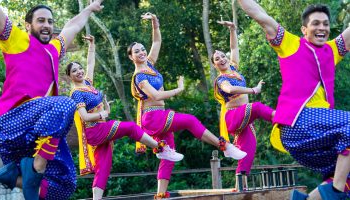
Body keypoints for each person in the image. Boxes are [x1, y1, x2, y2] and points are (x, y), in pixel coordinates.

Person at [237, 1, 350, 199]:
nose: (321, 28)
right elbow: (260, 15)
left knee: (347, 173)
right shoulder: (290, 43)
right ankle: (336, 191)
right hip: (297, 122)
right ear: (304, 29)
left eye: (325, 24)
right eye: (316, 23)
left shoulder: (332, 50)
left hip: (319, 134)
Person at [128, 12, 247, 199]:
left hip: (159, 116)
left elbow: (157, 43)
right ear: (131, 57)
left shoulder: (149, 65)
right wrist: (179, 89)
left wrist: (155, 24)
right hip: (152, 117)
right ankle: (224, 146)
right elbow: (157, 95)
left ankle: (160, 195)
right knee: (190, 120)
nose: (142, 52)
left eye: (142, 49)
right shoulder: (140, 76)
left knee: (168, 156)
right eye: (137, 51)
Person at [0, 1, 104, 199]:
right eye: (41, 21)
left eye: (50, 22)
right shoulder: (16, 39)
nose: (46, 25)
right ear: (28, 25)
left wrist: (89, 9)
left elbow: (72, 26)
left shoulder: (54, 50)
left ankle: (14, 176)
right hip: (12, 124)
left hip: (40, 134)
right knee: (66, 104)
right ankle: (37, 166)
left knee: (66, 183)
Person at [67, 35, 183, 200]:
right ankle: (161, 148)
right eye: (74, 71)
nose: (79, 71)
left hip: (101, 129)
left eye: (79, 69)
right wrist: (103, 114)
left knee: (104, 168)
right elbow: (84, 117)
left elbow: (91, 63)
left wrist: (92, 45)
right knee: (130, 127)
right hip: (95, 130)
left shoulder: (87, 84)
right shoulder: (76, 93)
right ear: (69, 76)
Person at [212, 20, 275, 191]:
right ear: (214, 65)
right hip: (234, 117)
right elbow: (231, 89)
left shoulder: (233, 68)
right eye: (217, 59)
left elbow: (234, 49)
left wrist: (233, 30)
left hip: (244, 120)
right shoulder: (221, 79)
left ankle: (240, 188)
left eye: (222, 56)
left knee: (248, 152)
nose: (222, 59)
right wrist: (253, 90)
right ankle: (280, 118)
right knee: (257, 107)